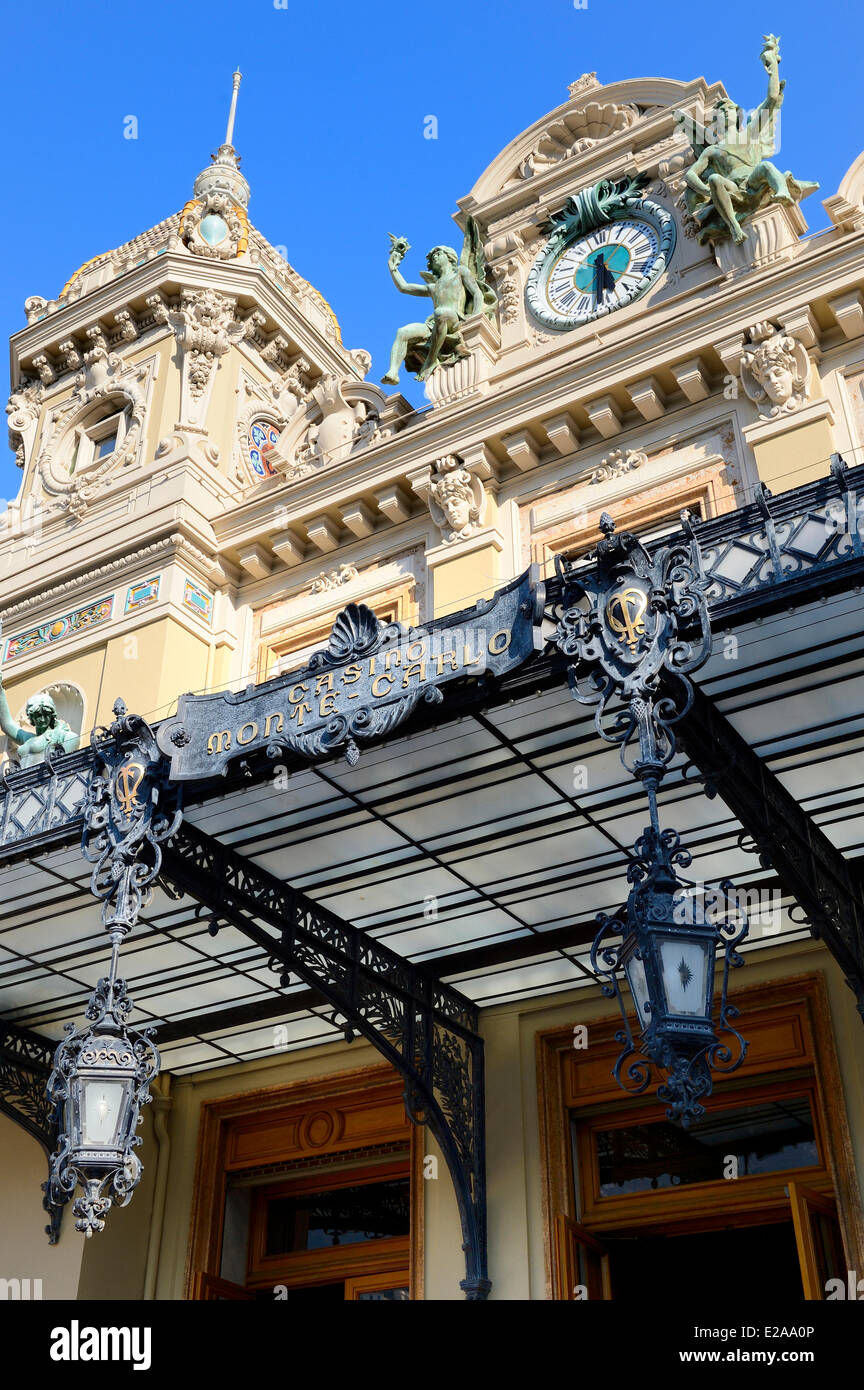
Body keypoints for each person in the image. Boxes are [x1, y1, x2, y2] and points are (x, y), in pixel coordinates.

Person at [0, 679, 79, 768]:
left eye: (46, 714)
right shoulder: (28, 738)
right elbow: (6, 724)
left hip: (45, 779)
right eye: (37, 715)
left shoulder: (61, 736)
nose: (42, 719)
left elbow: (65, 764)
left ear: (52, 715)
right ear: (31, 717)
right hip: (23, 780)